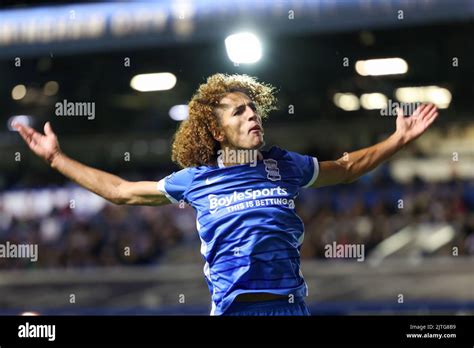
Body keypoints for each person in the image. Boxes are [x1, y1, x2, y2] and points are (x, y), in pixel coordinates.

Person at [14, 73, 439, 316]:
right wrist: (56, 160)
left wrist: (397, 139)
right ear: (217, 132)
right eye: (239, 111)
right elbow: (122, 192)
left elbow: (346, 168)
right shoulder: (196, 179)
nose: (252, 114)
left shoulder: (284, 164)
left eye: (254, 108)